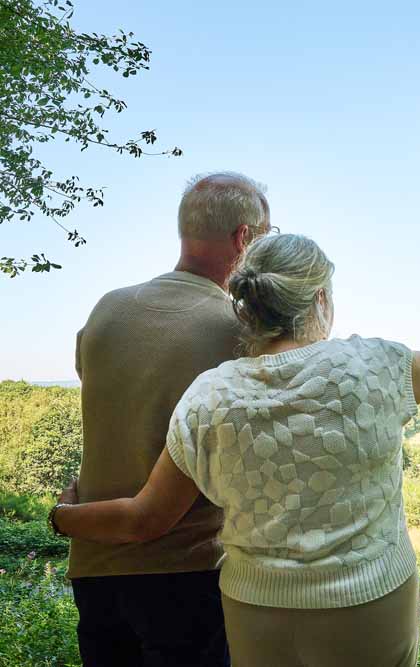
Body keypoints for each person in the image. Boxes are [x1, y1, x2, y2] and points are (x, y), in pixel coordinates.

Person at [53, 233, 420, 667]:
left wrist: (61, 517)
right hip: (368, 601)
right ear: (320, 300)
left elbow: (144, 517)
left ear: (248, 310)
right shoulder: (375, 366)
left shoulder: (208, 397)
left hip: (256, 612)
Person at [63, 172, 271, 667]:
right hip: (186, 571)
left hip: (94, 565)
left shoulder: (106, 310)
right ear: (244, 238)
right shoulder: (239, 331)